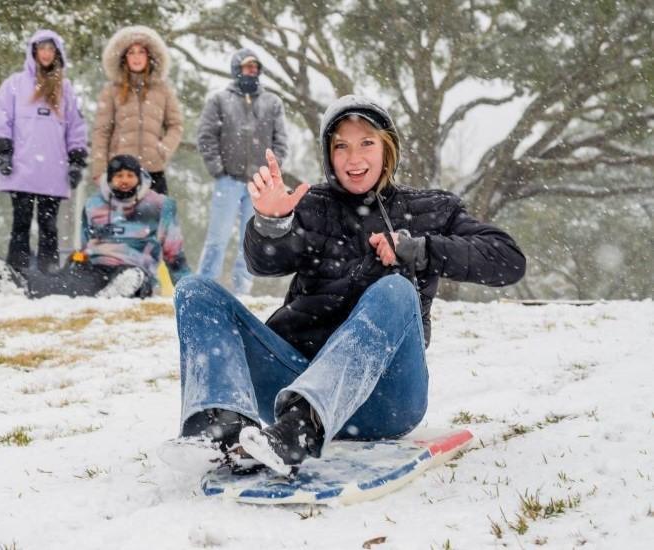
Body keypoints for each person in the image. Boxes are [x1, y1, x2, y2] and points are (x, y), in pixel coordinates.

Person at [174, 95, 526, 475]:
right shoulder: (311, 206)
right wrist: (271, 222)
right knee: (195, 291)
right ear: (328, 155)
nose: (353, 159)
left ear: (387, 147)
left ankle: (305, 428)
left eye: (366, 143)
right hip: (292, 385)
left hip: (386, 400)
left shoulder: (431, 209)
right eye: (341, 146)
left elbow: (507, 260)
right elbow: (265, 263)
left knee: (395, 289)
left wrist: (416, 250)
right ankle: (221, 430)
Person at [0, 154, 191, 299]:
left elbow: (174, 253)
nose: (124, 181)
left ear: (139, 178)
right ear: (110, 180)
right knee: (65, 280)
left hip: (134, 265)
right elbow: (88, 241)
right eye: (119, 176)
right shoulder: (95, 205)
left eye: (130, 175)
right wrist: (80, 259)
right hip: (97, 265)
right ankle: (23, 285)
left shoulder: (159, 206)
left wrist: (188, 289)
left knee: (132, 277)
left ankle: (120, 289)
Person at [0, 29, 88, 274]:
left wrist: (76, 160)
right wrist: (4, 152)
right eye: (42, 49)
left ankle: (48, 272)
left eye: (50, 49)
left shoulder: (65, 88)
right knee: (21, 222)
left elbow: (76, 126)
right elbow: (1, 119)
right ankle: (17, 270)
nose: (46, 54)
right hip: (22, 165)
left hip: (53, 168)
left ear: (57, 54)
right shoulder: (14, 84)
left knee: (48, 225)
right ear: (34, 51)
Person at [196, 48, 289, 295]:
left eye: (256, 67)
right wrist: (218, 169)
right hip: (228, 181)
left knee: (251, 240)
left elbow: (281, 141)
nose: (252, 71)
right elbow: (206, 136)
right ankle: (204, 286)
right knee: (217, 237)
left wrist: (270, 172)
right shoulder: (219, 100)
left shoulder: (273, 102)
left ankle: (243, 289)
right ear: (237, 69)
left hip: (260, 185)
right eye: (248, 66)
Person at [91, 25, 183, 195]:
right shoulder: (112, 90)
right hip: (120, 173)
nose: (136, 57)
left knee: (157, 220)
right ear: (124, 57)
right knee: (119, 222)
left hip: (153, 170)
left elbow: (175, 125)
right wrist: (99, 168)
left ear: (149, 56)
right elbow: (101, 132)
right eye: (131, 52)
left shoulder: (163, 90)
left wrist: (163, 149)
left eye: (141, 52)